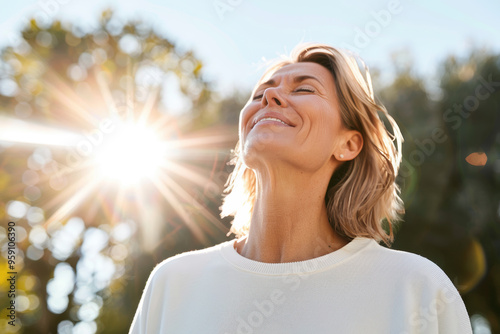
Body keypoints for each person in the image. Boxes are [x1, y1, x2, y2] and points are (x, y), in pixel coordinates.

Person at [129, 43, 473, 333]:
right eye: (260, 93)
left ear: (349, 144)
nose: (271, 97)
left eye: (304, 89)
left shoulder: (417, 289)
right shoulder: (172, 284)